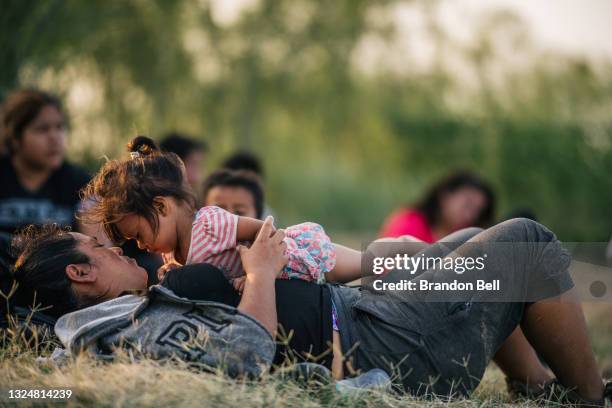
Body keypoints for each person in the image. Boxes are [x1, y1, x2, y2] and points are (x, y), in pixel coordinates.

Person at [9, 218, 611, 405]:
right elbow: (242, 359)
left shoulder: (124, 320)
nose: (123, 252)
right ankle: (588, 400)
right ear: (80, 274)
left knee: (481, 239)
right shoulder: (132, 330)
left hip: (364, 308)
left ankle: (536, 387)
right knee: (527, 246)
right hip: (386, 343)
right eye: (105, 251)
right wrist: (261, 273)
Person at [80, 136, 362, 289]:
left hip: (298, 258)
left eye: (138, 235)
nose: (139, 246)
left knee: (369, 264)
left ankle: (405, 253)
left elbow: (262, 229)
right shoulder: (171, 253)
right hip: (282, 286)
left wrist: (255, 273)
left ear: (162, 207)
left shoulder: (208, 224)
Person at [0, 89, 90, 239]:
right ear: (15, 138)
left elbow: (96, 248)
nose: (54, 138)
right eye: (42, 129)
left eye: (59, 127)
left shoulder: (80, 184)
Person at [379, 170, 495, 242]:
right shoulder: (410, 222)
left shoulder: (467, 236)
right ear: (445, 196)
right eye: (467, 204)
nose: (470, 215)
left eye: (478, 211)